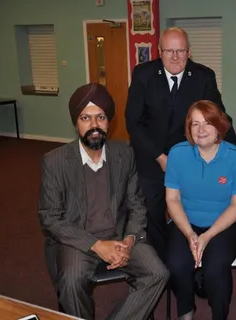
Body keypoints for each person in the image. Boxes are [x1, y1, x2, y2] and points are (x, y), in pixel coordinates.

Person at [38, 83, 169, 320]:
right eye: (85, 118)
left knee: (157, 273)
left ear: (109, 121)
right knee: (70, 279)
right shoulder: (55, 161)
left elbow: (137, 204)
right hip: (78, 240)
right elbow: (50, 217)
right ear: (76, 123)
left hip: (120, 235)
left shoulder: (124, 155)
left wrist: (129, 240)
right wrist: (96, 245)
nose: (94, 125)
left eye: (100, 117)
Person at [125, 27, 236, 260]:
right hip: (151, 154)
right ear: (159, 51)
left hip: (190, 157)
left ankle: (194, 259)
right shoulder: (143, 74)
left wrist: (231, 156)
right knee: (151, 210)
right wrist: (160, 157)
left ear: (189, 52)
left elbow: (219, 118)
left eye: (181, 50)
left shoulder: (203, 76)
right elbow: (133, 123)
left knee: (192, 208)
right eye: (169, 50)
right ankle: (161, 261)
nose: (175, 56)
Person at [164, 100, 236, 320]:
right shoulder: (177, 154)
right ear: (188, 128)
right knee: (176, 263)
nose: (201, 130)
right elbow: (172, 199)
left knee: (215, 267)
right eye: (195, 124)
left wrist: (207, 236)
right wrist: (191, 234)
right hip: (186, 220)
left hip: (227, 224)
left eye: (207, 123)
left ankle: (219, 315)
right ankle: (186, 311)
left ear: (219, 126)